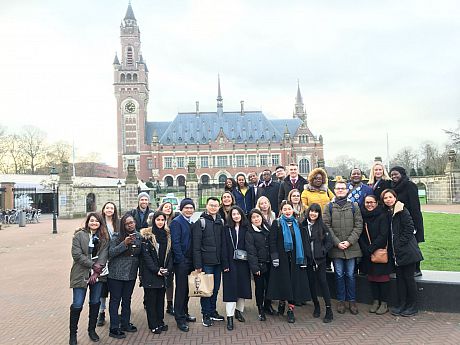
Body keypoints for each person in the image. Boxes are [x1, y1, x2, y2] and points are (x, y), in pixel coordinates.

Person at [267, 201, 311, 323]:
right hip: (282, 259)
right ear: (281, 211)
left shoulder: (298, 223)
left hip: (296, 260)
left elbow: (303, 241)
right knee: (283, 283)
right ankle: (282, 301)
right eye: (285, 209)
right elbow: (272, 241)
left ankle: (290, 310)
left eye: (289, 209)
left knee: (294, 284)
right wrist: (274, 257)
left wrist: (304, 259)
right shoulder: (277, 224)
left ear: (293, 210)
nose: (287, 211)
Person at [323, 179, 363, 315]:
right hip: (336, 248)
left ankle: (352, 301)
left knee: (351, 275)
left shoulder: (354, 206)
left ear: (347, 190)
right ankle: (341, 300)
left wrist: (349, 242)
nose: (340, 190)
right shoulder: (328, 207)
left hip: (351, 247)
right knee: (339, 275)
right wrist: (337, 242)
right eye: (338, 188)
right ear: (334, 190)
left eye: (343, 188)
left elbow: (359, 225)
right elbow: (326, 226)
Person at [381, 189, 423, 317]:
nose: (388, 200)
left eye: (390, 197)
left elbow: (409, 228)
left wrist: (398, 244)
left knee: (409, 279)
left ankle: (413, 306)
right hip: (397, 253)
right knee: (400, 280)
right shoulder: (388, 212)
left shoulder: (402, 210)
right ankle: (402, 304)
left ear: (395, 197)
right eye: (385, 198)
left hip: (406, 251)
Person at [69, 212, 109, 345]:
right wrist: (93, 265)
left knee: (95, 302)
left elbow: (104, 254)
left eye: (97, 221)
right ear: (88, 222)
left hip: (98, 275)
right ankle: (73, 334)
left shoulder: (104, 237)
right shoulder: (79, 235)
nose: (94, 223)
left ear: (100, 223)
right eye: (92, 221)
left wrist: (97, 272)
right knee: (77, 304)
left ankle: (92, 330)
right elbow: (77, 255)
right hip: (81, 274)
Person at [192, 197, 226, 327]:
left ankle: (212, 311)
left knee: (215, 289)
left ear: (219, 207)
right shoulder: (200, 222)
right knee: (206, 290)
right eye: (211, 205)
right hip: (206, 263)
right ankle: (205, 314)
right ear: (206, 206)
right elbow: (196, 246)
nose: (213, 207)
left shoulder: (221, 221)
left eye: (216, 205)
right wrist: (198, 265)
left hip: (217, 263)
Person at [107, 213, 142, 339]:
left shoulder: (139, 237)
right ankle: (114, 327)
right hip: (116, 274)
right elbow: (111, 253)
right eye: (127, 224)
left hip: (131, 274)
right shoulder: (117, 236)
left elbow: (140, 255)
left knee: (127, 299)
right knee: (115, 300)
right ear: (123, 225)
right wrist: (124, 243)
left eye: (131, 222)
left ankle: (125, 323)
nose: (130, 225)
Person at [140, 211, 174, 334]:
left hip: (163, 273)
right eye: (158, 220)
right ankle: (153, 324)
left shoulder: (167, 236)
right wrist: (156, 270)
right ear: (153, 220)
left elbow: (170, 255)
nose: (160, 222)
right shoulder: (147, 237)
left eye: (162, 220)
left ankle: (160, 321)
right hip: (151, 274)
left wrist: (167, 269)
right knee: (151, 301)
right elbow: (146, 256)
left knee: (160, 300)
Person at [359, 195, 392, 315]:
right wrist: (366, 249)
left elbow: (384, 235)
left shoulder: (382, 215)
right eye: (367, 202)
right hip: (368, 253)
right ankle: (375, 301)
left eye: (372, 202)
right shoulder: (362, 216)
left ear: (376, 203)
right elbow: (360, 234)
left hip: (380, 251)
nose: (369, 204)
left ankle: (384, 303)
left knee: (382, 279)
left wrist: (372, 248)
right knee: (372, 278)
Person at [301, 204, 334, 323]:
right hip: (308, 261)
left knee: (323, 283)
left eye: (316, 212)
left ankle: (329, 309)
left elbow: (329, 242)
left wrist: (323, 251)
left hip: (320, 261)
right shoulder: (303, 226)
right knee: (311, 284)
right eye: (311, 211)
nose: (313, 213)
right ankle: (316, 306)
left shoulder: (322, 226)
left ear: (319, 214)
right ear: (308, 211)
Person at [390, 166, 424, 277]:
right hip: (398, 220)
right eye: (392, 175)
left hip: (410, 219)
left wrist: (415, 224)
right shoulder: (393, 187)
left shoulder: (410, 185)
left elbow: (415, 206)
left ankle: (417, 269)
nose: (394, 176)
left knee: (412, 244)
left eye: (396, 174)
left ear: (402, 174)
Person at [222, 206, 252, 331]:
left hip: (243, 262)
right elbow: (223, 246)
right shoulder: (226, 229)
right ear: (231, 216)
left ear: (241, 215)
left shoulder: (247, 228)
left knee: (242, 287)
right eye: (233, 214)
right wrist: (225, 264)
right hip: (230, 261)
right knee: (230, 289)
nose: (236, 216)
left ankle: (239, 311)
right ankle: (229, 316)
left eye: (238, 214)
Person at [170, 198, 197, 332]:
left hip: (190, 261)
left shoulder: (191, 222)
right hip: (182, 262)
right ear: (181, 209)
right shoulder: (176, 222)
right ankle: (179, 318)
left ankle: (184, 313)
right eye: (186, 208)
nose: (189, 210)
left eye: (191, 208)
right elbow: (175, 243)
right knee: (181, 290)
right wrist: (181, 260)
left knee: (187, 290)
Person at [246, 208, 274, 321]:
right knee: (260, 288)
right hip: (259, 265)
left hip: (269, 263)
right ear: (251, 220)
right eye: (254, 217)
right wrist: (255, 267)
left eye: (258, 216)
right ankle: (260, 309)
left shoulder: (267, 229)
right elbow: (251, 251)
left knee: (269, 286)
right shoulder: (250, 233)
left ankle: (268, 305)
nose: (256, 219)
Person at [97, 202, 120, 327]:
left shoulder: (118, 223)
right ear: (104, 210)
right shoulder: (100, 223)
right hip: (104, 258)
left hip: (116, 258)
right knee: (103, 287)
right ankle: (101, 311)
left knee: (115, 286)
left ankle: (116, 312)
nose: (109, 210)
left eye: (112, 208)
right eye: (107, 208)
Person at [158, 201, 177, 315]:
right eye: (166, 207)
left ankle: (170, 304)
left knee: (169, 280)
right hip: (159, 254)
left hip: (171, 254)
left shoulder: (174, 221)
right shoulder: (155, 218)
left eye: (170, 207)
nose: (168, 209)